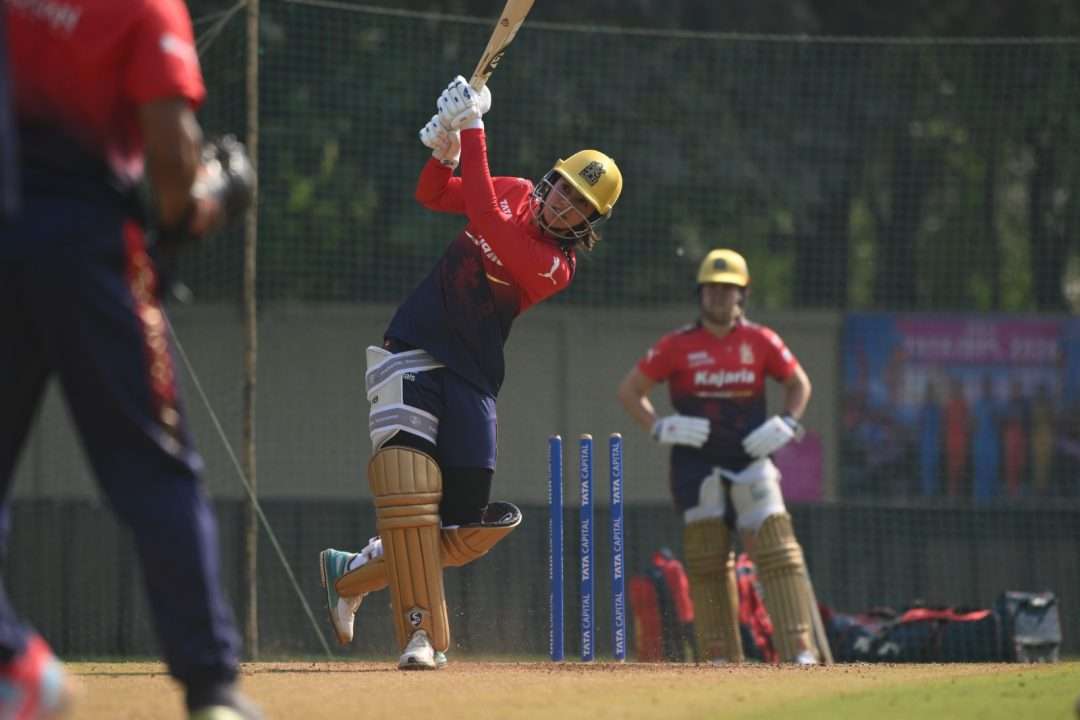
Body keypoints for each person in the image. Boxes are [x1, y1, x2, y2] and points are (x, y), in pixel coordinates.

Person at [2, 2, 258, 718]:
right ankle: (211, 688)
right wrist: (205, 202)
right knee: (154, 467)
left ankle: (11, 662)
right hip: (89, 253)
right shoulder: (145, 9)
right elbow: (173, 164)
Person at [318, 75, 623, 670]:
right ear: (551, 179)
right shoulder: (514, 190)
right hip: (412, 348)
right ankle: (420, 636)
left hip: (474, 379)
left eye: (578, 205)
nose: (562, 204)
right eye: (563, 189)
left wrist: (474, 128)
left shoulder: (555, 267)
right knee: (407, 489)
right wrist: (446, 151)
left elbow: (485, 218)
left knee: (461, 532)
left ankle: (349, 573)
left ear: (589, 222)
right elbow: (433, 194)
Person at [616, 248, 821, 664]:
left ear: (743, 294)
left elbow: (799, 383)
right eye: (711, 289)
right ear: (700, 293)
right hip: (697, 464)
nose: (719, 297)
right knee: (707, 558)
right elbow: (630, 391)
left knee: (778, 548)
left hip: (751, 458)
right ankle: (718, 656)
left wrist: (788, 422)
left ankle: (800, 649)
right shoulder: (677, 345)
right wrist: (658, 426)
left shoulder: (761, 340)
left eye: (728, 289)